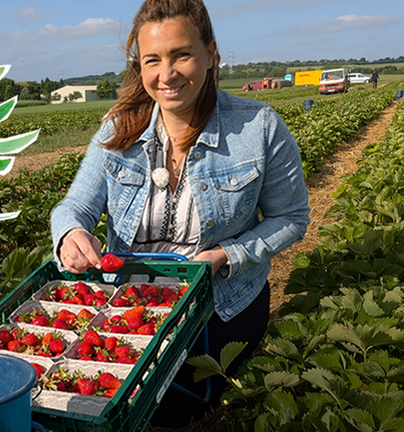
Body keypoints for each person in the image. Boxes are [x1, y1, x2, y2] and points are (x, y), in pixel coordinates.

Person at [50, 0, 310, 427]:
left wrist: (226, 255)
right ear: (140, 66)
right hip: (133, 299)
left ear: (211, 55)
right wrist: (71, 234)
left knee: (163, 407)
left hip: (220, 302)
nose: (166, 75)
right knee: (87, 394)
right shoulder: (119, 127)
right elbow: (75, 205)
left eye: (181, 55)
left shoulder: (258, 127)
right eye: (152, 60)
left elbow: (293, 218)